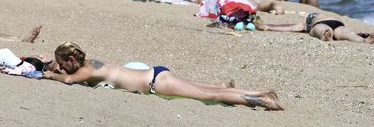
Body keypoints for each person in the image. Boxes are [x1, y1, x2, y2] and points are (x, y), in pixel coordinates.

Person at [42, 42, 283, 110]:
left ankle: (261, 101)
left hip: (157, 84)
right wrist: (55, 65)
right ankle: (257, 93)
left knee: (214, 95)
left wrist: (48, 75)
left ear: (72, 60)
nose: (63, 69)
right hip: (156, 73)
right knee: (212, 91)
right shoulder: (92, 62)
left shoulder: (83, 71)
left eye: (63, 64)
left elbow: (69, 80)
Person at [256, 13, 374, 44]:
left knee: (321, 28)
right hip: (338, 22)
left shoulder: (306, 23)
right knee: (346, 33)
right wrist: (362, 34)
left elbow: (291, 28)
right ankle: (363, 41)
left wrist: (268, 27)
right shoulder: (325, 14)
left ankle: (324, 34)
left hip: (320, 23)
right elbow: (354, 30)